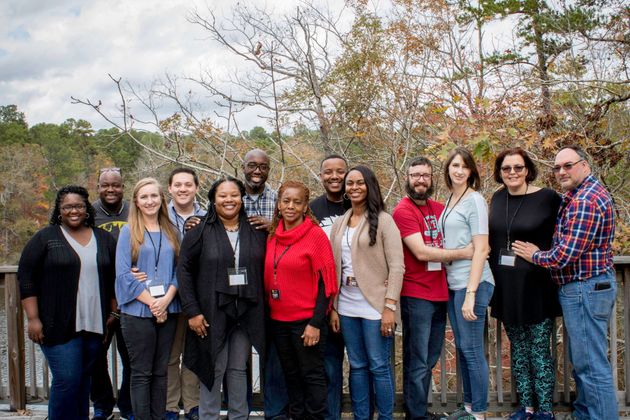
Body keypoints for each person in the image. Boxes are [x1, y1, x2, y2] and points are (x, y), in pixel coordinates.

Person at [513, 146, 618, 420]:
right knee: (583, 361)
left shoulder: (586, 200)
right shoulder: (576, 195)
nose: (561, 171)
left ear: (584, 165)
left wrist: (534, 254)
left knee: (592, 365)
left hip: (586, 287)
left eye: (568, 165)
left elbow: (564, 255)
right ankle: (585, 413)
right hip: (585, 287)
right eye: (557, 167)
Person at [18, 185, 117, 420]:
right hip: (57, 324)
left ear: (87, 209)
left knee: (83, 380)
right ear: (59, 210)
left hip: (95, 325)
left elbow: (114, 278)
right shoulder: (46, 237)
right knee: (67, 380)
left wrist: (114, 313)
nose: (74, 211)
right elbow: (27, 278)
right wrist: (33, 319)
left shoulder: (103, 238)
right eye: (68, 206)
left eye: (79, 206)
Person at [178, 176, 267, 419]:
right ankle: (209, 416)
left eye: (234, 195)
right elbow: (184, 270)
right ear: (213, 200)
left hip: (247, 312)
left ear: (242, 198)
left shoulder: (257, 230)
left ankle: (240, 416)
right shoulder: (199, 231)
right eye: (223, 196)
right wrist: (193, 311)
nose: (229, 200)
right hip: (210, 312)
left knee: (238, 369)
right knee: (213, 369)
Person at [392, 157, 473, 420]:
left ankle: (420, 411)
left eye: (425, 175)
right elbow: (421, 252)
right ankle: (416, 415)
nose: (420, 180)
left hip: (441, 292)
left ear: (432, 178)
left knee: (429, 359)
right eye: (415, 175)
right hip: (416, 295)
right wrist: (465, 253)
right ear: (407, 177)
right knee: (417, 362)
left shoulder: (439, 208)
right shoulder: (403, 211)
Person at [488, 148, 561, 420]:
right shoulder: (497, 198)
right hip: (506, 289)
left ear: (528, 169)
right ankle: (526, 407)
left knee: (539, 350)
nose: (512, 173)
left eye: (518, 167)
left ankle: (545, 410)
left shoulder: (548, 198)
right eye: (506, 169)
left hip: (537, 288)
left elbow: (564, 236)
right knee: (517, 349)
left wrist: (540, 254)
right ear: (500, 173)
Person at [329, 166, 404, 420]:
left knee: (379, 365)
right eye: (350, 183)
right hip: (346, 304)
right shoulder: (340, 222)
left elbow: (397, 266)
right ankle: (362, 416)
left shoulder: (384, 220)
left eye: (359, 183)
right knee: (357, 366)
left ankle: (385, 416)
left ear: (369, 185)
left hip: (375, 305)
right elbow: (333, 266)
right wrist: (334, 307)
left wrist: (389, 307)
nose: (354, 187)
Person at [264, 181, 338, 420]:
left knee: (312, 375)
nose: (291, 206)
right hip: (279, 321)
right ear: (278, 204)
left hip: (306, 322)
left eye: (297, 202)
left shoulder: (315, 236)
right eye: (286, 201)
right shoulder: (274, 235)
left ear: (306, 206)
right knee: (291, 375)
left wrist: (316, 323)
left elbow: (326, 284)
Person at [116, 178, 181, 420]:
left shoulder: (172, 231)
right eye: (144, 197)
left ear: (162, 199)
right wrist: (153, 303)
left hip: (168, 309)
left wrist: (165, 301)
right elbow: (123, 274)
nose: (150, 201)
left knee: (160, 372)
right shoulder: (128, 231)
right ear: (136, 202)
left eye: (154, 196)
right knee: (141, 373)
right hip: (137, 312)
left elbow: (179, 271)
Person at [438, 148, 494, 420]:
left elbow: (481, 249)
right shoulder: (451, 199)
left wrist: (471, 293)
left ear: (471, 171)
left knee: (472, 350)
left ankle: (480, 413)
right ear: (448, 169)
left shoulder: (475, 201)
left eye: (464, 166)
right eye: (454, 165)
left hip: (473, 283)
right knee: (462, 348)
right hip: (453, 283)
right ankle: (469, 408)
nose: (458, 170)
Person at [240, 148, 288, 419]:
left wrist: (273, 226)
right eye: (252, 165)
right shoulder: (232, 196)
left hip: (272, 289)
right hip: (238, 290)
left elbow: (296, 232)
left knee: (274, 354)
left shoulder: (279, 200)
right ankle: (240, 409)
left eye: (263, 166)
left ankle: (276, 412)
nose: (257, 171)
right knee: (238, 357)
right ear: (243, 167)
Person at [91, 167, 133, 420]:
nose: (110, 189)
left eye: (115, 185)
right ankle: (102, 405)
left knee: (132, 359)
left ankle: (127, 404)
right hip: (98, 294)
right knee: (96, 357)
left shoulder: (133, 210)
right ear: (98, 187)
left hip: (131, 295)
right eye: (105, 185)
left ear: (122, 186)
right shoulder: (89, 213)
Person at [165, 168, 205, 420]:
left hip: (196, 296)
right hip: (166, 297)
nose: (182, 189)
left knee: (192, 354)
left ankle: (192, 405)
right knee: (170, 356)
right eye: (177, 185)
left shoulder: (207, 216)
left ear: (196, 188)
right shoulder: (159, 215)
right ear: (169, 188)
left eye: (188, 184)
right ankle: (170, 406)